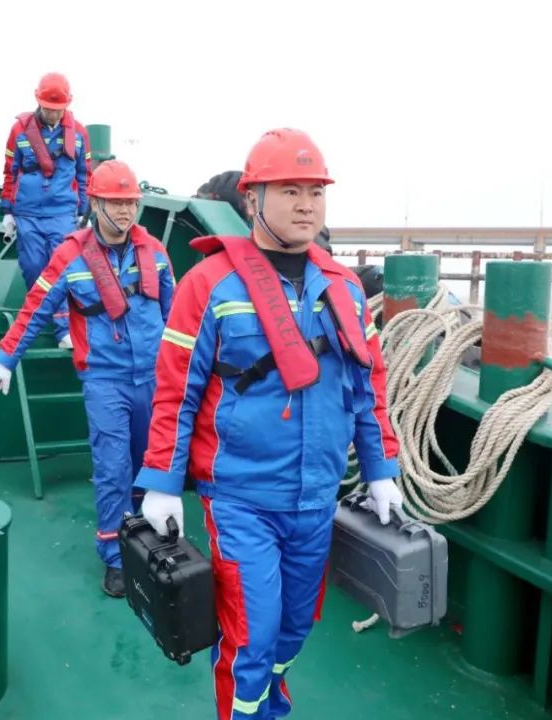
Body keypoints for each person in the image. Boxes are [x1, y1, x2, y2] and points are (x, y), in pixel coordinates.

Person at [132, 128, 403, 719]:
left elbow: (369, 391)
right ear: (252, 200)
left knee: (294, 630)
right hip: (241, 499)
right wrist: (161, 482)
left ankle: (268, 707)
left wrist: (381, 469)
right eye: (290, 191)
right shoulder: (209, 284)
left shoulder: (346, 289)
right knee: (251, 636)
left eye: (316, 192)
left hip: (317, 498)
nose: (306, 205)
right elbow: (175, 391)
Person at [0, 160, 176, 598]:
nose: (126, 211)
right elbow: (36, 308)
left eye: (131, 202)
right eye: (116, 202)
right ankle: (115, 557)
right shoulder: (70, 255)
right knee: (113, 466)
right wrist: (6, 359)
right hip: (105, 379)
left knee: (152, 461)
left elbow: (178, 314)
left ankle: (148, 537)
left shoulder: (155, 252)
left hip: (153, 376)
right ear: (94, 203)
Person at [0, 72, 92, 349]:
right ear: (38, 101)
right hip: (27, 212)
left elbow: (84, 174)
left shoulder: (79, 133)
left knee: (61, 268)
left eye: (58, 109)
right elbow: (10, 172)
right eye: (49, 108)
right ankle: (41, 319)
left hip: (62, 213)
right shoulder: (18, 130)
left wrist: (84, 211)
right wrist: (7, 211)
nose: (53, 114)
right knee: (32, 268)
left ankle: (63, 330)